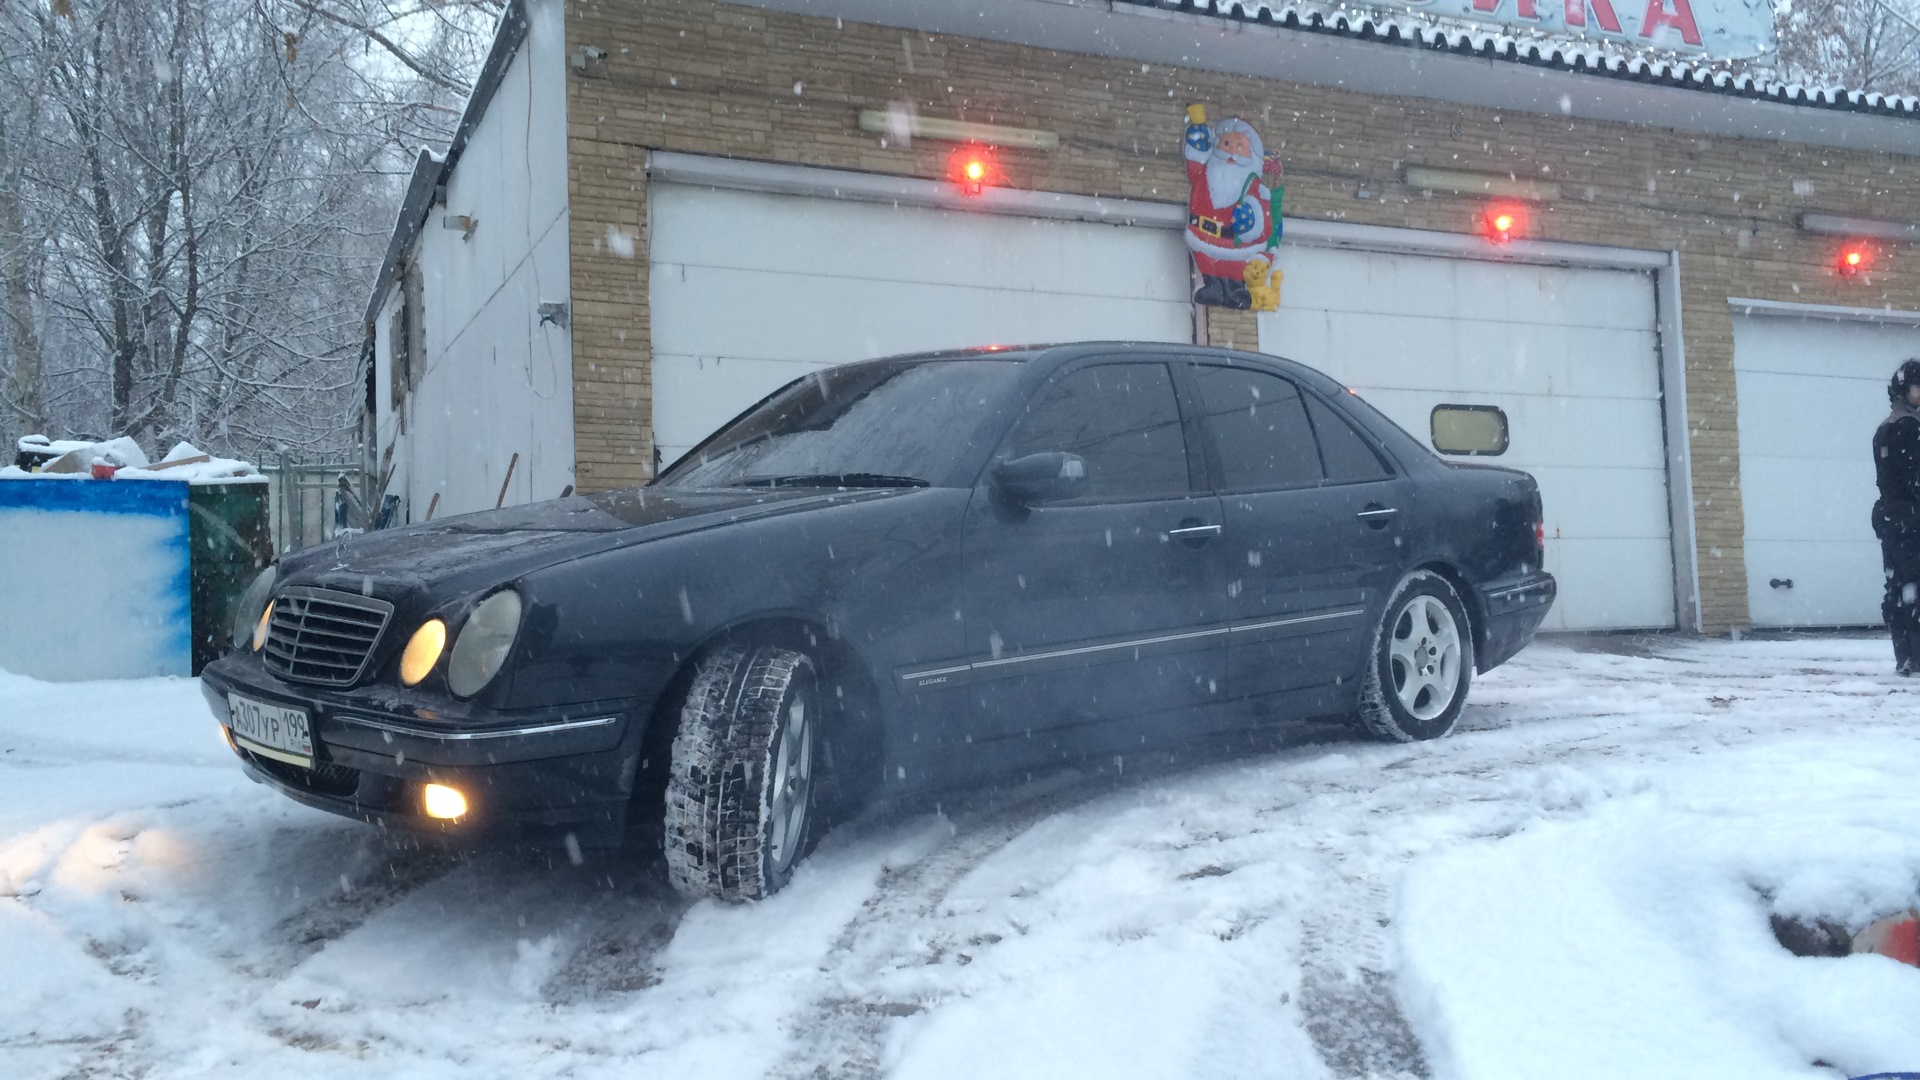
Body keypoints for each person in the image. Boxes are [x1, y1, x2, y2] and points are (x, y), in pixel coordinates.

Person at [1871, 358, 1920, 673]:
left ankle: (1906, 657)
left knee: (1900, 587)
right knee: (1913, 587)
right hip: (1911, 520)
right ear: (1905, 390)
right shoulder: (1909, 428)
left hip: (1892, 520)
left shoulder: (1884, 429)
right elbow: (1915, 479)